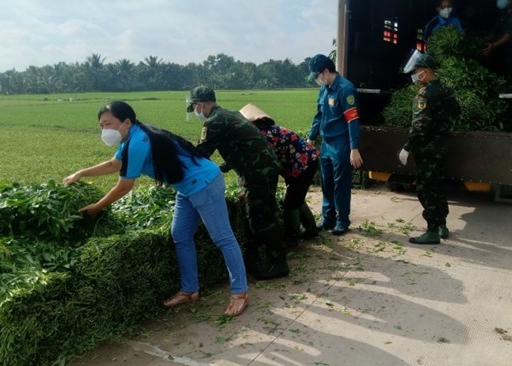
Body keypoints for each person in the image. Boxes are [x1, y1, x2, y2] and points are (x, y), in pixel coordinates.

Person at [63, 101, 249, 316]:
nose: (105, 130)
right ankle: (190, 290)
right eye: (101, 125)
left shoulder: (138, 141)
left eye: (108, 124)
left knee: (222, 238)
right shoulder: (130, 137)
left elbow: (124, 186)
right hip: (186, 187)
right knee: (179, 234)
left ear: (126, 122)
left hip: (204, 183)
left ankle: (240, 293)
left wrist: (97, 207)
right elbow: (114, 164)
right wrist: (81, 173)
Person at [186, 86, 289, 280]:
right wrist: (220, 169)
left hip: (256, 172)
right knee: (258, 213)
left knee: (260, 218)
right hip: (262, 168)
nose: (196, 112)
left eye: (195, 107)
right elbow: (239, 148)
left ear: (199, 104)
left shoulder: (214, 122)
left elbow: (199, 155)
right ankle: (251, 259)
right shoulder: (230, 114)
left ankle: (279, 263)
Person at [398, 52, 459, 245]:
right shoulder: (446, 91)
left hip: (426, 150)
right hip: (441, 147)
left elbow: (420, 125)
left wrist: (407, 147)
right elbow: (456, 112)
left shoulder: (424, 94)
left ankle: (432, 230)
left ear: (426, 71)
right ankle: (442, 225)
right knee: (438, 187)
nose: (415, 75)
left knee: (426, 189)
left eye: (416, 71)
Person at [239, 103, 320, 247]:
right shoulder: (268, 130)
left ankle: (292, 238)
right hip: (305, 162)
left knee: (290, 203)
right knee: (297, 197)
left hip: (303, 165)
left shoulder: (263, 136)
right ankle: (311, 230)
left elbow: (268, 164)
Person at [306, 54, 363, 236]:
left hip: (341, 144)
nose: (316, 79)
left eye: (317, 75)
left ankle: (342, 220)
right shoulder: (324, 89)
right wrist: (310, 137)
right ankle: (328, 218)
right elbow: (318, 116)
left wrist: (354, 148)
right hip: (326, 144)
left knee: (341, 184)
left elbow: (352, 121)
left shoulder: (345, 89)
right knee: (327, 183)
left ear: (326, 71)